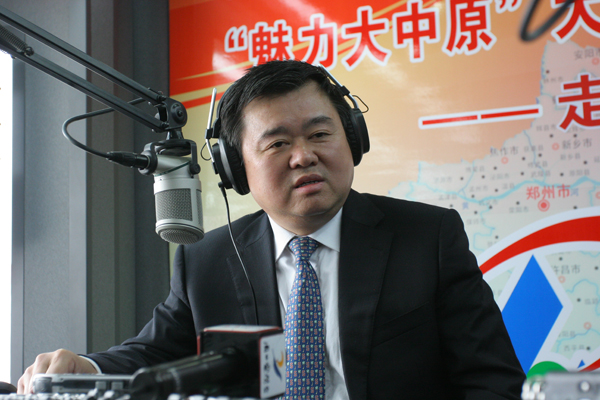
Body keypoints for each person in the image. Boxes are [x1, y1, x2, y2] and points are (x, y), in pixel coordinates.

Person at [18, 60, 525, 399]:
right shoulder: (207, 259)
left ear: (352, 139)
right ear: (235, 168)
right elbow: (155, 352)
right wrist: (86, 367)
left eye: (320, 133)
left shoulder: (427, 238)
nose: (304, 156)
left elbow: (494, 381)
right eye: (278, 143)